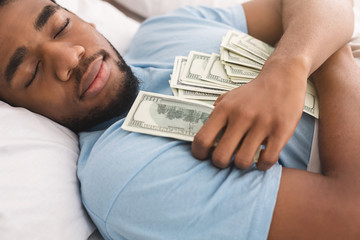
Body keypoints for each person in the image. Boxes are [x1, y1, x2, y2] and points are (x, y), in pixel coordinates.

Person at [0, 0, 358, 239]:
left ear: (84, 19)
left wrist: (289, 67)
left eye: (61, 26)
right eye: (31, 72)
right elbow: (350, 215)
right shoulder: (126, 177)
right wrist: (330, 51)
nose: (69, 57)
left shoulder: (167, 29)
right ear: (19, 108)